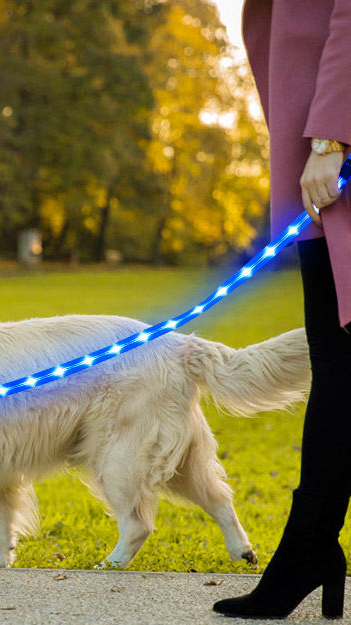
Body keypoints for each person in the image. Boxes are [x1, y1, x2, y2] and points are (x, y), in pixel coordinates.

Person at [214, 0, 351, 618]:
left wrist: (333, 134)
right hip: (316, 149)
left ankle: (308, 551)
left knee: (343, 367)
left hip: (332, 151)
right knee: (340, 364)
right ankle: (311, 548)